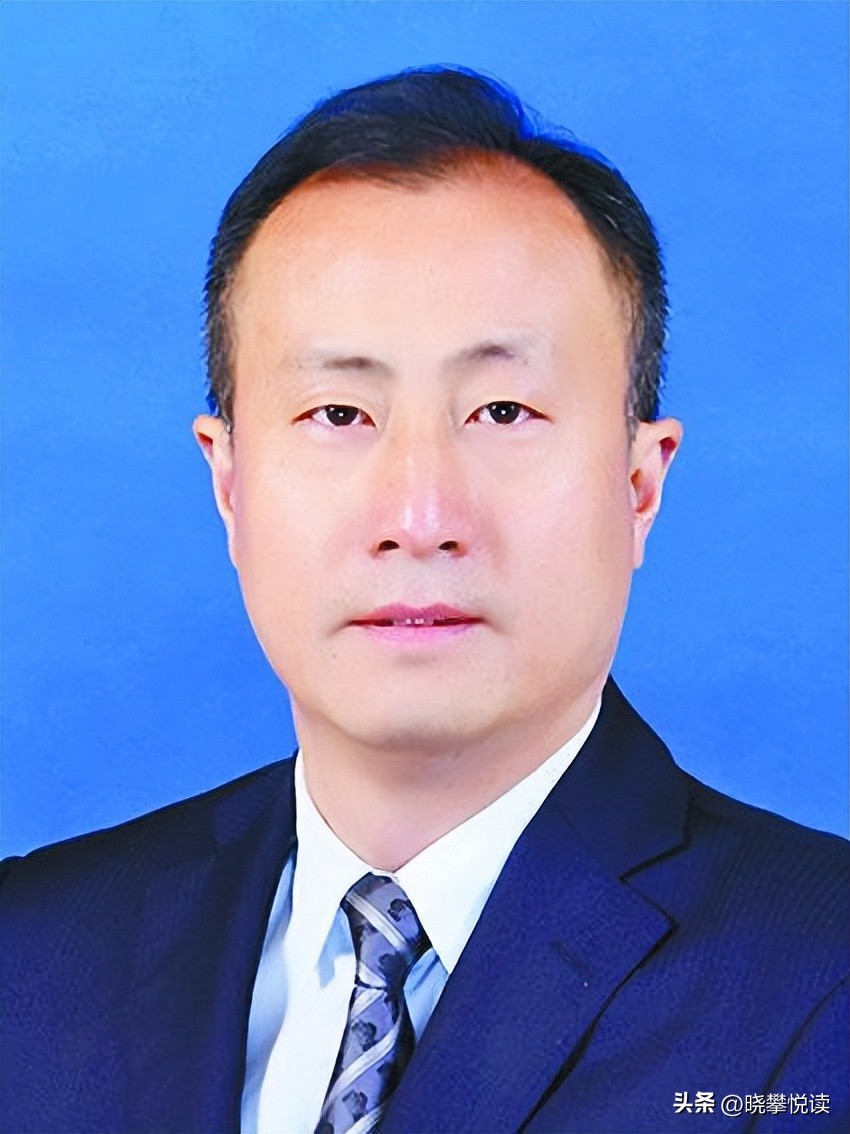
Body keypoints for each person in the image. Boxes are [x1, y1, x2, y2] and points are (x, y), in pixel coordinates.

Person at [1, 65, 847, 1134]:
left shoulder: (820, 988)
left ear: (639, 486)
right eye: (338, 413)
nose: (418, 515)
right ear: (229, 482)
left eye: (502, 411)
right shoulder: (30, 956)